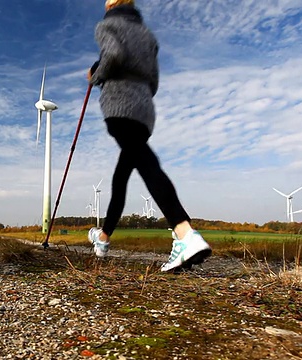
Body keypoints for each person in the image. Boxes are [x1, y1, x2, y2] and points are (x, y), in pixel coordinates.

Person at [87, 0, 211, 272]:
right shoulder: (148, 36)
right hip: (144, 109)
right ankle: (103, 239)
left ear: (110, 5)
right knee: (122, 177)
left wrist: (96, 76)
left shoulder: (107, 25)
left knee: (147, 164)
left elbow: (114, 54)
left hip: (119, 106)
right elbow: (153, 79)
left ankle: (185, 232)